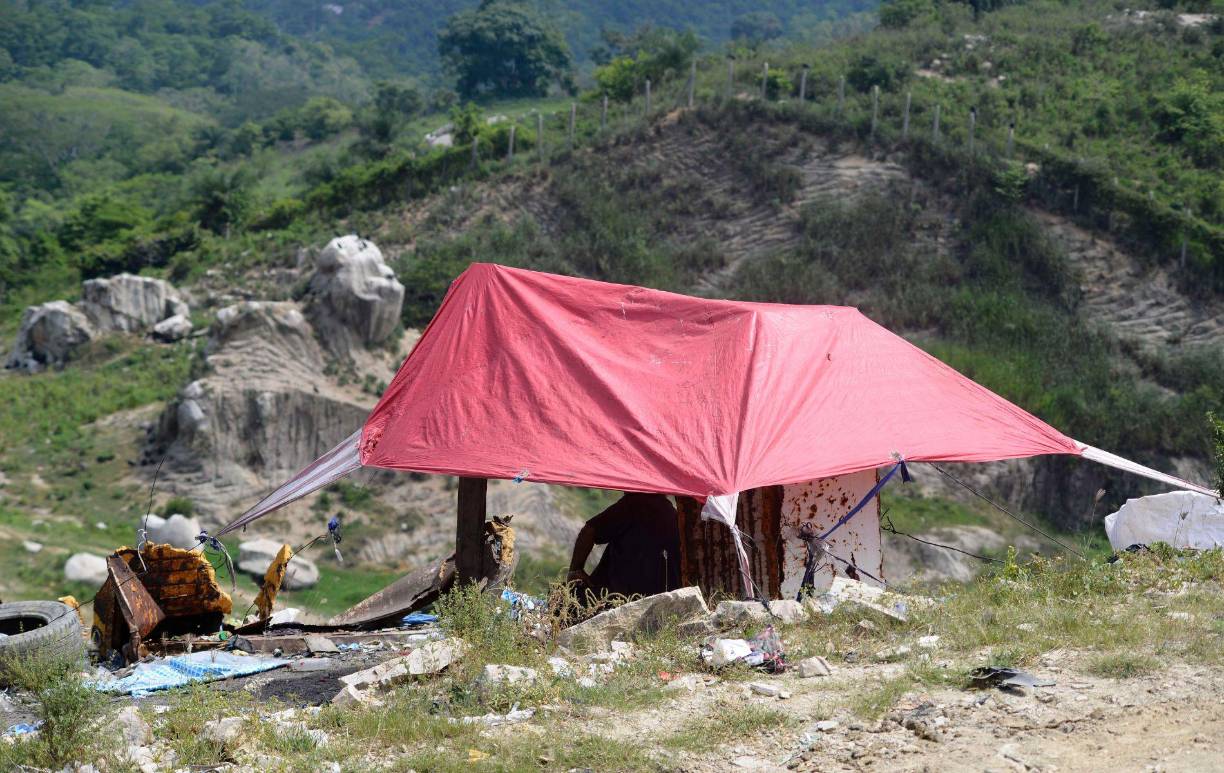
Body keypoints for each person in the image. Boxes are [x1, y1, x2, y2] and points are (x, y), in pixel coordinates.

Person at [566, 492, 681, 598]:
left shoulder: (634, 504)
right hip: (661, 600)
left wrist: (575, 570)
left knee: (565, 602)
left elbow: (589, 531)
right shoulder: (675, 517)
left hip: (619, 597)